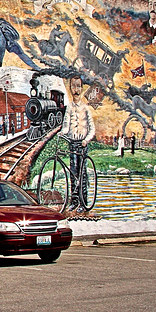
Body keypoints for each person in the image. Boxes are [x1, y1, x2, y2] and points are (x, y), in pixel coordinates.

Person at [59, 75, 95, 211]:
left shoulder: (86, 109)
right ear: (70, 88)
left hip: (83, 144)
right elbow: (66, 125)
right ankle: (74, 202)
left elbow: (92, 128)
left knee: (82, 174)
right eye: (73, 86)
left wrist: (86, 140)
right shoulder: (68, 108)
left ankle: (83, 203)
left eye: (78, 86)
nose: (76, 89)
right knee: (73, 173)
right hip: (72, 144)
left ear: (82, 88)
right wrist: (62, 133)